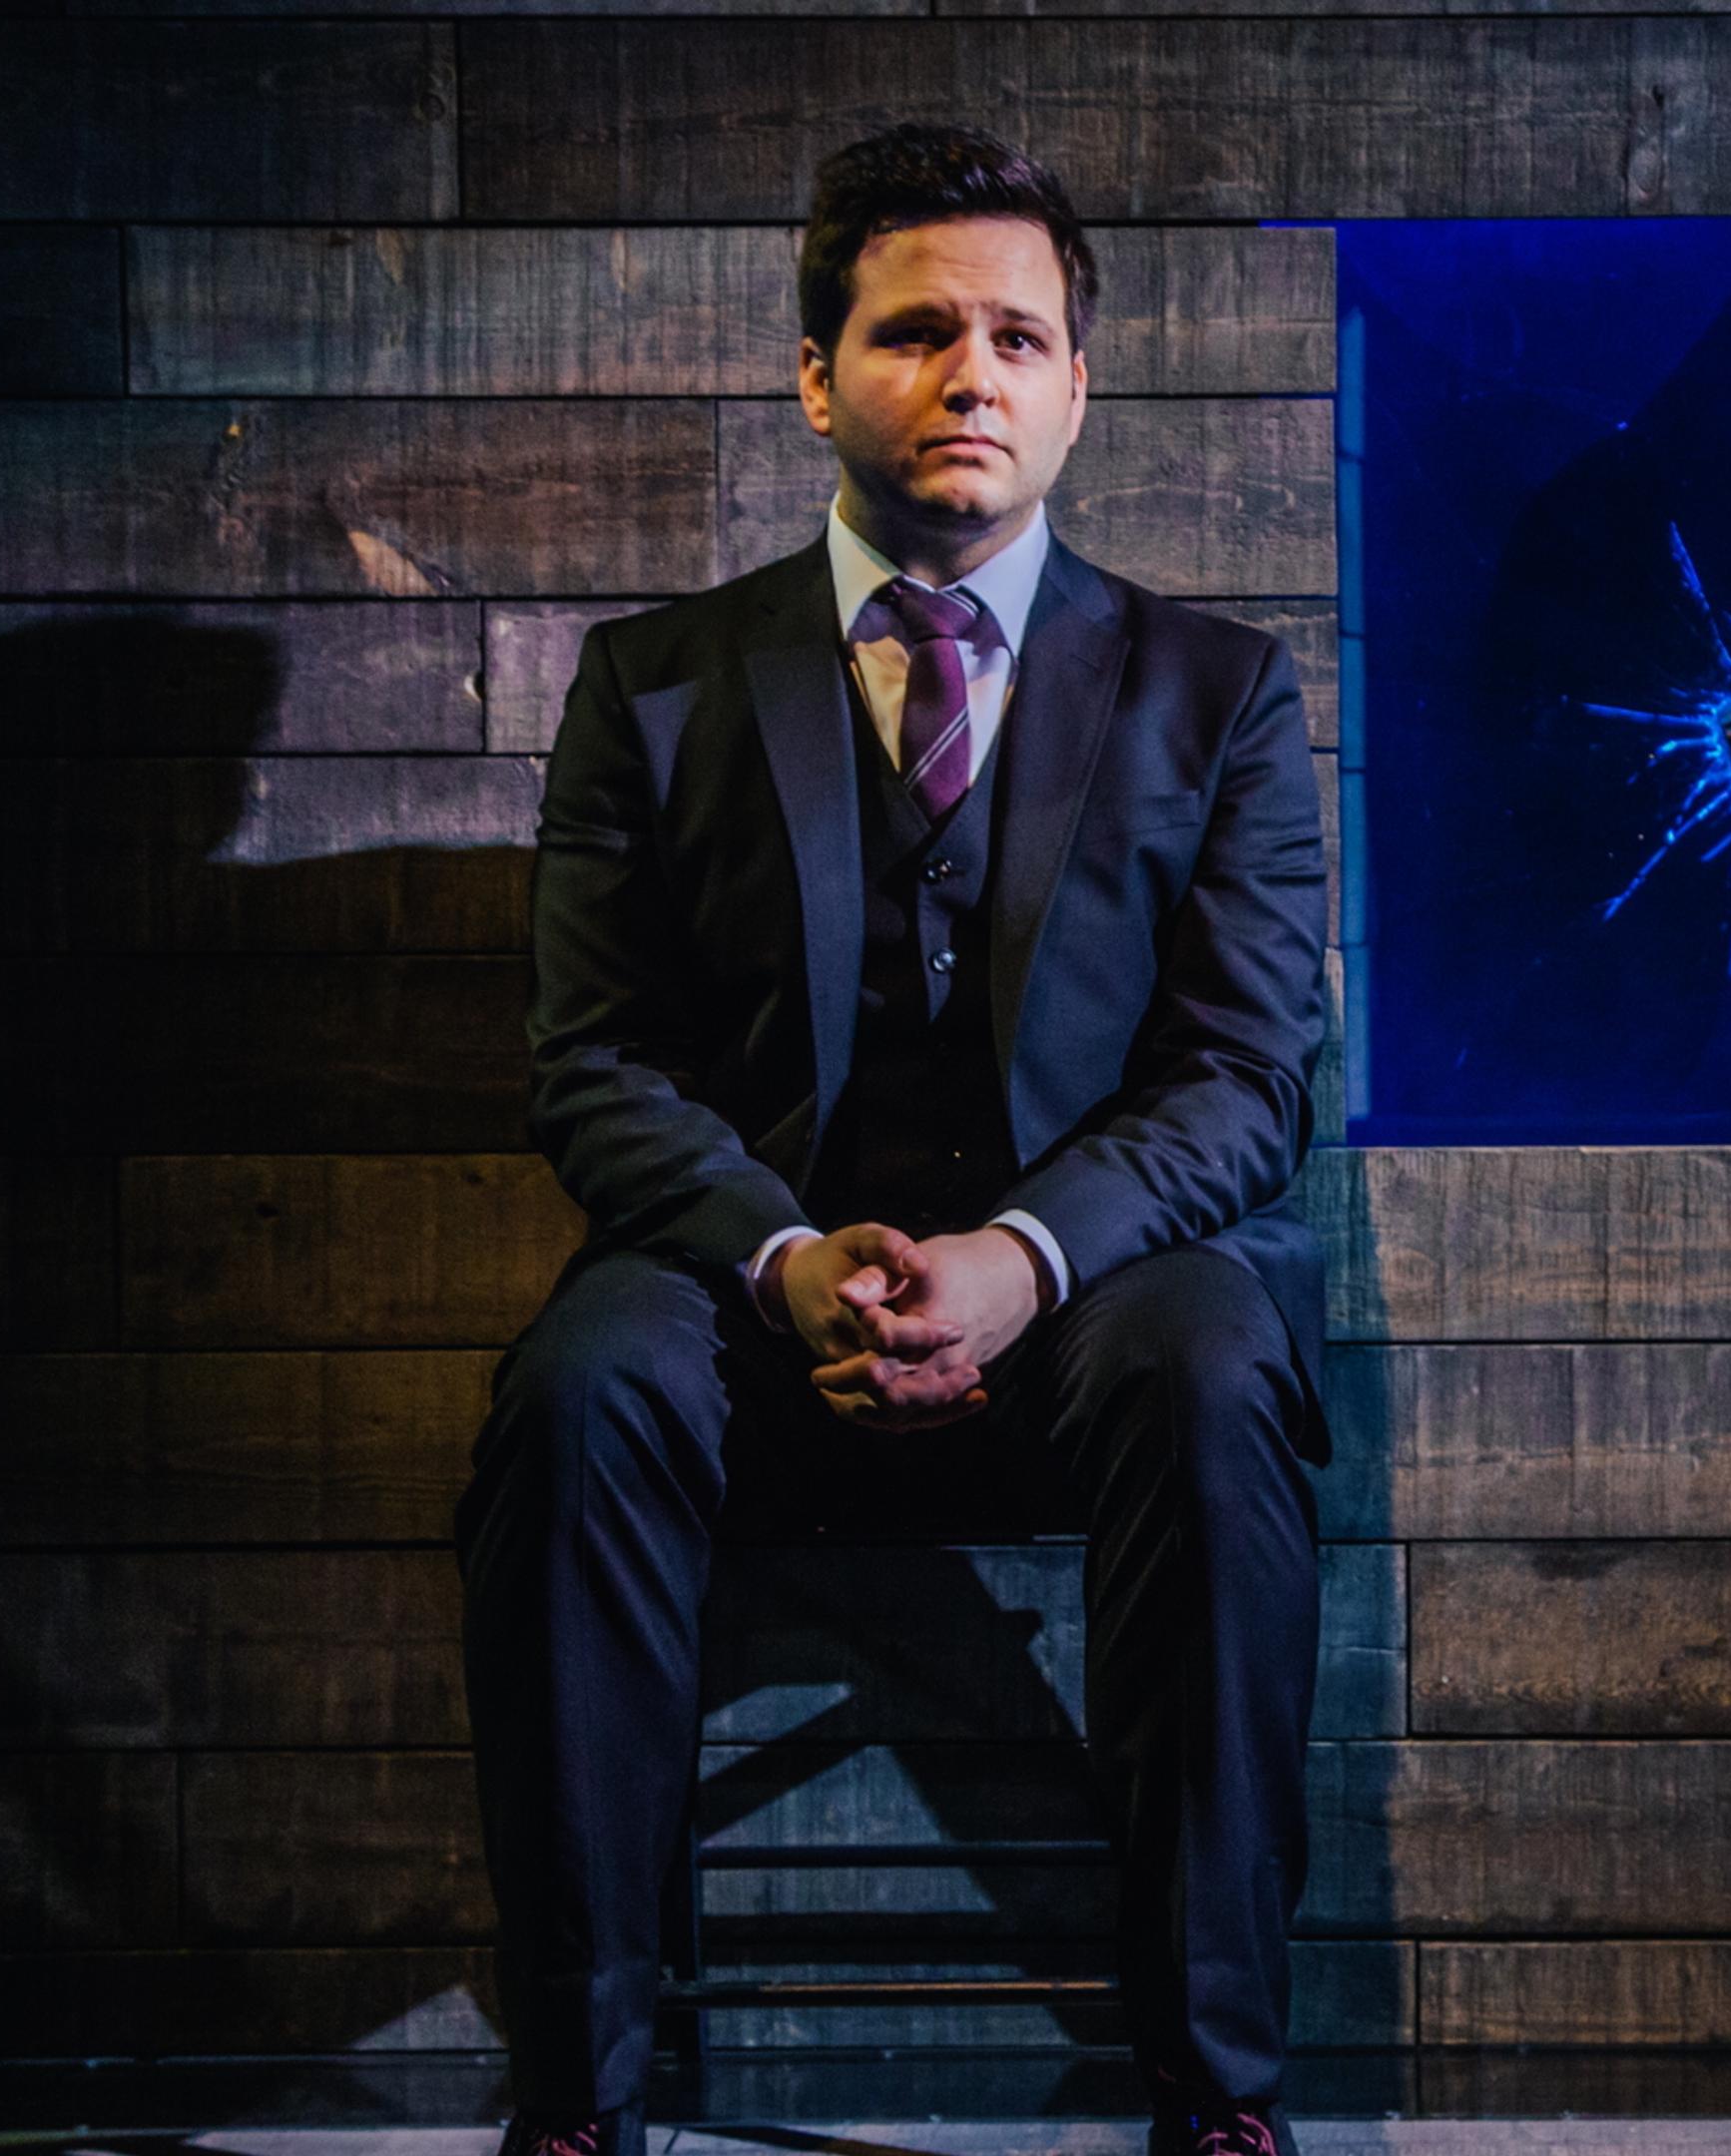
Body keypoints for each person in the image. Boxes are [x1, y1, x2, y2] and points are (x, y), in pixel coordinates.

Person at [452, 121, 1330, 2156]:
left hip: (1092, 1318)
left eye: (1021, 337)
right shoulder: (653, 689)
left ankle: (1218, 2094)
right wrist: (784, 1257)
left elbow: (1242, 1080)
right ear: (815, 373)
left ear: (1080, 388)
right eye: (918, 329)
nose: (972, 374)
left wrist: (1021, 1262)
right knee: (574, 1395)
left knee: (1218, 1365)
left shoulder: (1223, 697)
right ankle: (577, 2096)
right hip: (749, 1316)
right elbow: (593, 1062)